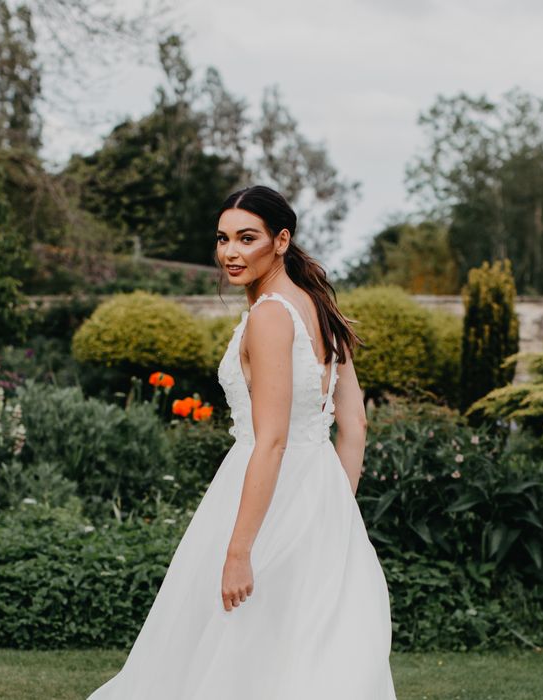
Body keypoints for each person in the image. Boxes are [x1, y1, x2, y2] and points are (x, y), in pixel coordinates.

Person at [86, 185, 397, 699]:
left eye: (246, 238)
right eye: (223, 239)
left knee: (233, 646)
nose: (230, 252)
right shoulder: (319, 308)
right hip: (319, 495)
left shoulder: (271, 315)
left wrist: (238, 551)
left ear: (281, 241)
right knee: (298, 648)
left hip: (262, 493)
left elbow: (271, 439)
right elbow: (355, 426)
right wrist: (335, 506)